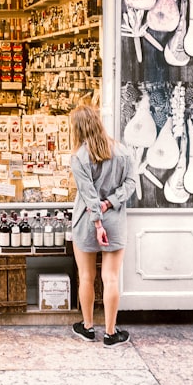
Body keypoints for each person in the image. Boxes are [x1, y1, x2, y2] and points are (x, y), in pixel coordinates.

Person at [67, 104, 137, 347]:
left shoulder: (80, 157)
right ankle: (110, 332)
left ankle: (87, 327)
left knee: (86, 277)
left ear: (78, 128)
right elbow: (130, 184)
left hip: (87, 223)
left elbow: (87, 195)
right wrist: (110, 203)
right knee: (111, 278)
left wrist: (97, 222)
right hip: (115, 221)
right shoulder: (122, 151)